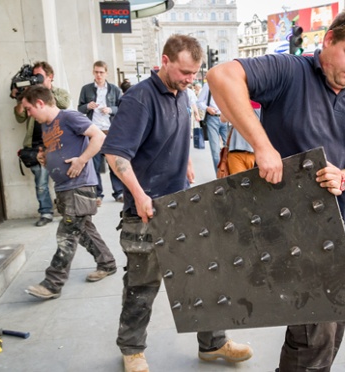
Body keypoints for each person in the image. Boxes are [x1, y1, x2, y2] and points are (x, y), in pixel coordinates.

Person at [207, 8, 345, 371]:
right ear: (329, 40)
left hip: (333, 230)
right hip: (287, 230)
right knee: (313, 335)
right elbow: (220, 75)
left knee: (334, 326)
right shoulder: (291, 71)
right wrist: (263, 145)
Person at [101, 35, 253, 372]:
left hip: (182, 204)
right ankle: (132, 350)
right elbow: (115, 154)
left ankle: (213, 344)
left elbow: (179, 136)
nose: (190, 79)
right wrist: (139, 195)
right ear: (165, 61)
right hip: (145, 210)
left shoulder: (183, 95)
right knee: (142, 285)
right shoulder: (139, 99)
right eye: (184, 72)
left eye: (194, 74)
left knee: (204, 276)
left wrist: (186, 166)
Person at [21, 85, 117, 300]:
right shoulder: (47, 126)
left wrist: (82, 160)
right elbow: (57, 149)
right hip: (64, 188)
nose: (28, 114)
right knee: (83, 231)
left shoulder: (69, 117)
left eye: (29, 109)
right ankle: (107, 263)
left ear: (40, 103)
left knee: (67, 235)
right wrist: (44, 158)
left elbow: (98, 137)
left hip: (79, 186)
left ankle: (52, 283)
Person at [12, 61, 70, 227]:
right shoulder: (29, 96)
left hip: (57, 143)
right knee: (41, 183)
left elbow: (64, 104)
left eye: (39, 76)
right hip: (36, 145)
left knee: (63, 178)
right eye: (34, 77)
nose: (35, 80)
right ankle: (46, 212)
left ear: (50, 77)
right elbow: (20, 117)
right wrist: (19, 98)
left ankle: (66, 208)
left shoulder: (59, 93)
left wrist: (44, 90)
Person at [77, 61, 124, 205]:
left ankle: (119, 192)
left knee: (114, 164)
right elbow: (80, 109)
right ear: (93, 72)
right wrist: (88, 106)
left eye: (101, 72)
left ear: (106, 73)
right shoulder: (86, 89)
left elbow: (122, 108)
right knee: (95, 165)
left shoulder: (114, 89)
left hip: (110, 131)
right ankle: (98, 195)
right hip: (94, 132)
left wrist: (110, 110)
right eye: (96, 72)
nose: (98, 75)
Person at [198, 81, 228, 171]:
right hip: (212, 119)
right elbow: (199, 102)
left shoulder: (228, 83)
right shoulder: (208, 85)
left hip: (226, 118)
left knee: (230, 149)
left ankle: (229, 173)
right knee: (215, 151)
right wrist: (207, 108)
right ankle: (219, 176)